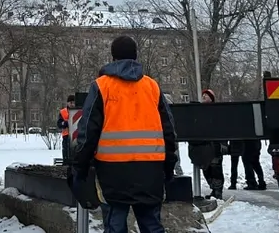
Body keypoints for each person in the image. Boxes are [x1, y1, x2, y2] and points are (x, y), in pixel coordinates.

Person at [72, 35, 178, 233]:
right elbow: (169, 130)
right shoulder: (152, 86)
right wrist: (169, 164)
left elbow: (88, 131)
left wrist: (80, 167)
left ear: (112, 57)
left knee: (115, 224)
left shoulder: (102, 86)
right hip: (150, 169)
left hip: (113, 171)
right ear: (136, 56)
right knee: (152, 225)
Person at [188, 89, 225, 199]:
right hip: (204, 146)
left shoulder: (216, 111)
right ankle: (213, 188)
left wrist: (224, 143)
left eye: (206, 95)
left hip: (215, 145)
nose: (204, 96)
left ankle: (218, 190)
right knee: (206, 169)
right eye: (203, 95)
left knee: (216, 168)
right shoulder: (200, 111)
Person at [58, 95, 75, 163]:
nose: (72, 104)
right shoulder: (63, 112)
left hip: (76, 136)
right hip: (66, 135)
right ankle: (66, 163)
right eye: (71, 102)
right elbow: (59, 124)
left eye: (74, 102)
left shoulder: (79, 110)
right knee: (66, 150)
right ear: (67, 103)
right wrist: (65, 123)